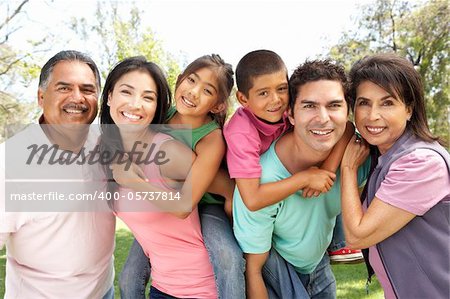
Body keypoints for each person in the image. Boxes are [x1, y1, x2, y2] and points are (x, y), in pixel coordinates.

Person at [233, 59, 371, 298]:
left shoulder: (356, 156)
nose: (323, 118)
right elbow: (253, 270)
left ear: (347, 112)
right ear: (290, 115)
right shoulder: (265, 179)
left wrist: (339, 167)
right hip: (277, 274)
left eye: (334, 105)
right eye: (309, 106)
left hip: (319, 268)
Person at [109, 55, 244, 298]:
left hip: (205, 205)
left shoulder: (211, 139)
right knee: (129, 277)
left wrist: (233, 218)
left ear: (218, 105)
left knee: (227, 256)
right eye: (191, 80)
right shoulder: (162, 116)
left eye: (207, 90)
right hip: (167, 210)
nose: (193, 92)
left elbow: (212, 194)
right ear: (180, 79)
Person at [0, 50, 115, 298]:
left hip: (103, 290)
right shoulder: (9, 162)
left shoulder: (107, 144)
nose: (77, 98)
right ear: (41, 97)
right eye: (64, 88)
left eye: (87, 89)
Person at [340, 53, 450, 299]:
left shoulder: (420, 164)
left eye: (387, 103)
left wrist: (347, 170)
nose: (372, 115)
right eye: (364, 103)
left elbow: (358, 235)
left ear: (409, 109)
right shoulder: (384, 159)